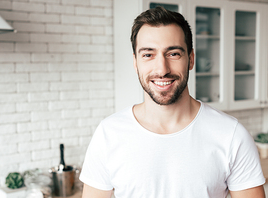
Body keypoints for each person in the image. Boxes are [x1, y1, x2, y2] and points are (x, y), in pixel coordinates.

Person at [79, 6, 266, 198]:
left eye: (173, 53)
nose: (162, 69)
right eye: (148, 55)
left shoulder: (232, 136)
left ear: (191, 59)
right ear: (135, 62)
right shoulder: (108, 134)